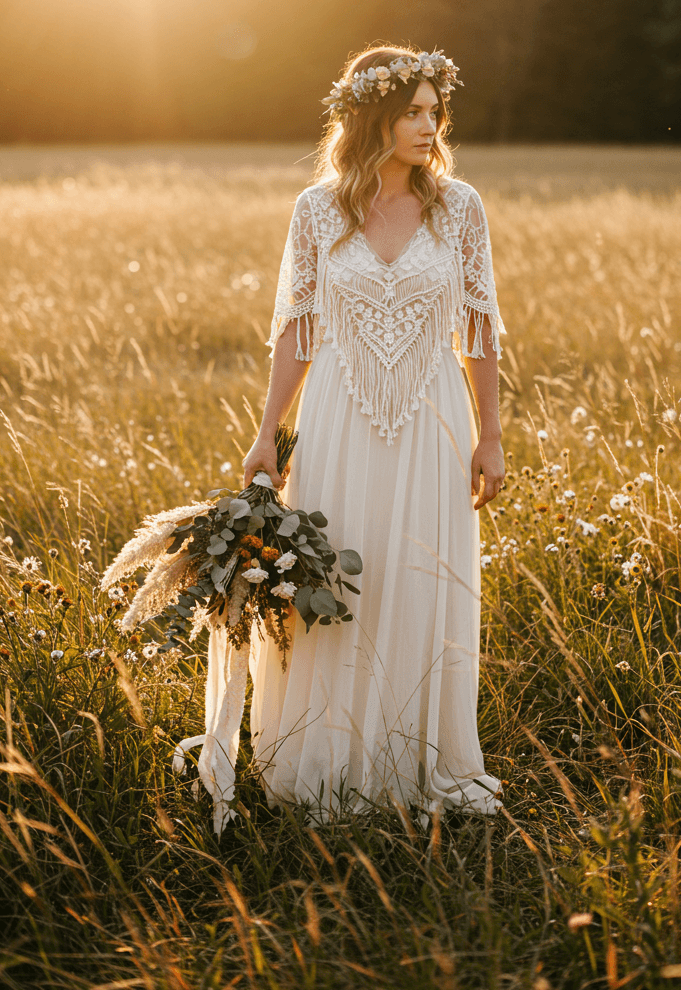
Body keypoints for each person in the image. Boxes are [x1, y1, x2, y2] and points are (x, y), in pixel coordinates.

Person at [241, 44, 506, 821]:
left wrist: (490, 435)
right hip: (335, 423)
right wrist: (268, 433)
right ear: (371, 117)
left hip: (433, 424)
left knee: (420, 579)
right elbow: (297, 329)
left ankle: (416, 760)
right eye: (413, 112)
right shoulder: (318, 210)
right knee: (339, 584)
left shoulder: (460, 207)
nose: (430, 125)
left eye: (435, 112)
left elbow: (480, 329)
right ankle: (327, 758)